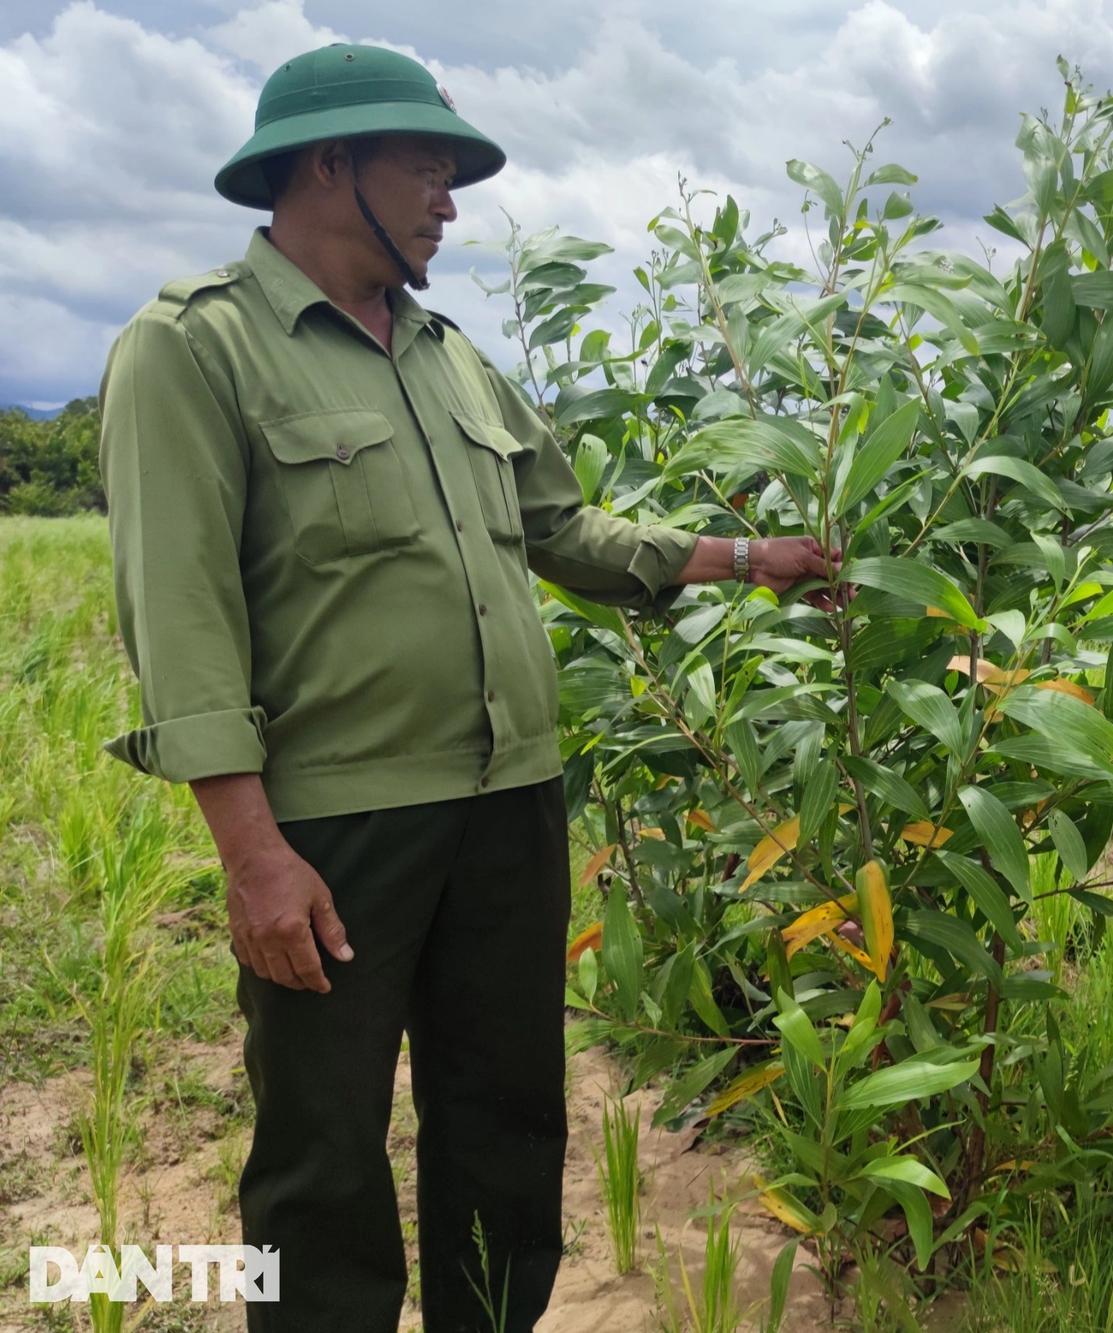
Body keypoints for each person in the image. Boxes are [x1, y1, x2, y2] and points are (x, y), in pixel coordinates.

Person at [98, 44, 831, 1332]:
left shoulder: (447, 355)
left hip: (509, 804)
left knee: (504, 1118)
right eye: (428, 169)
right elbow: (182, 616)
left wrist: (743, 561)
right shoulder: (193, 348)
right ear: (331, 166)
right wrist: (252, 854)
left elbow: (567, 530)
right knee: (320, 1148)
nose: (450, 200)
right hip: (336, 826)